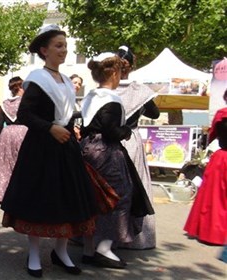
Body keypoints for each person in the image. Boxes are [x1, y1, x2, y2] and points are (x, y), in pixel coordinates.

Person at [0, 25, 98, 277]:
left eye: (64, 45)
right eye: (58, 45)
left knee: (66, 199)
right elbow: (24, 114)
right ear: (44, 51)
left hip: (65, 148)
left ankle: (61, 251)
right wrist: (50, 129)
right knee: (39, 199)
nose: (63, 50)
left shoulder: (66, 80)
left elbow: (65, 114)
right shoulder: (37, 78)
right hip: (42, 146)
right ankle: (33, 253)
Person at [80, 52, 154, 269]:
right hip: (106, 152)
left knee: (92, 197)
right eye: (120, 71)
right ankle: (103, 248)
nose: (122, 75)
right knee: (118, 196)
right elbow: (111, 131)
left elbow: (87, 126)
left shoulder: (91, 96)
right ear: (113, 72)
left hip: (86, 148)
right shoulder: (112, 99)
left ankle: (87, 249)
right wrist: (126, 131)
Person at [115, 45, 160, 250]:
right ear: (132, 66)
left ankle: (101, 236)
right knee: (135, 186)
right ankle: (135, 237)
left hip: (107, 140)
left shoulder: (106, 88)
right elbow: (155, 114)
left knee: (107, 187)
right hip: (130, 140)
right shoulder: (140, 90)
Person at [183, 92, 227, 246]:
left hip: (222, 158)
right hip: (222, 157)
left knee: (214, 197)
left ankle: (212, 232)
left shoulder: (221, 114)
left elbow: (212, 135)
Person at [0, 76, 28, 203]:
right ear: (21, 87)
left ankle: (0, 193)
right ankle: (21, 192)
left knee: (5, 164)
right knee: (22, 163)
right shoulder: (26, 102)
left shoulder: (4, 104)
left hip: (7, 134)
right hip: (23, 133)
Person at [70, 74, 84, 141]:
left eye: (79, 84)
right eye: (75, 83)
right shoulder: (65, 99)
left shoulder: (76, 102)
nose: (77, 85)